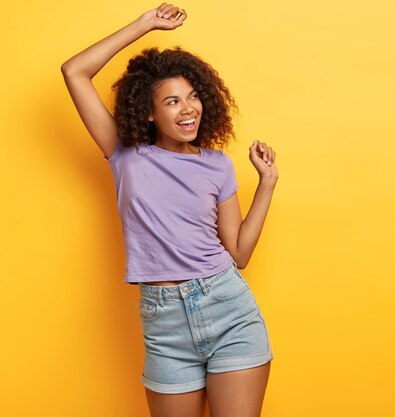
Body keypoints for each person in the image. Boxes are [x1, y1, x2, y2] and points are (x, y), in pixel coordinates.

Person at [61, 4, 277, 417]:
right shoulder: (125, 154)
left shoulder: (217, 165)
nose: (188, 108)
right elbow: (74, 72)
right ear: (149, 111)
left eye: (192, 97)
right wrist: (145, 25)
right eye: (173, 101)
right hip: (163, 324)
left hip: (228, 307)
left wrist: (266, 184)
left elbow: (240, 254)